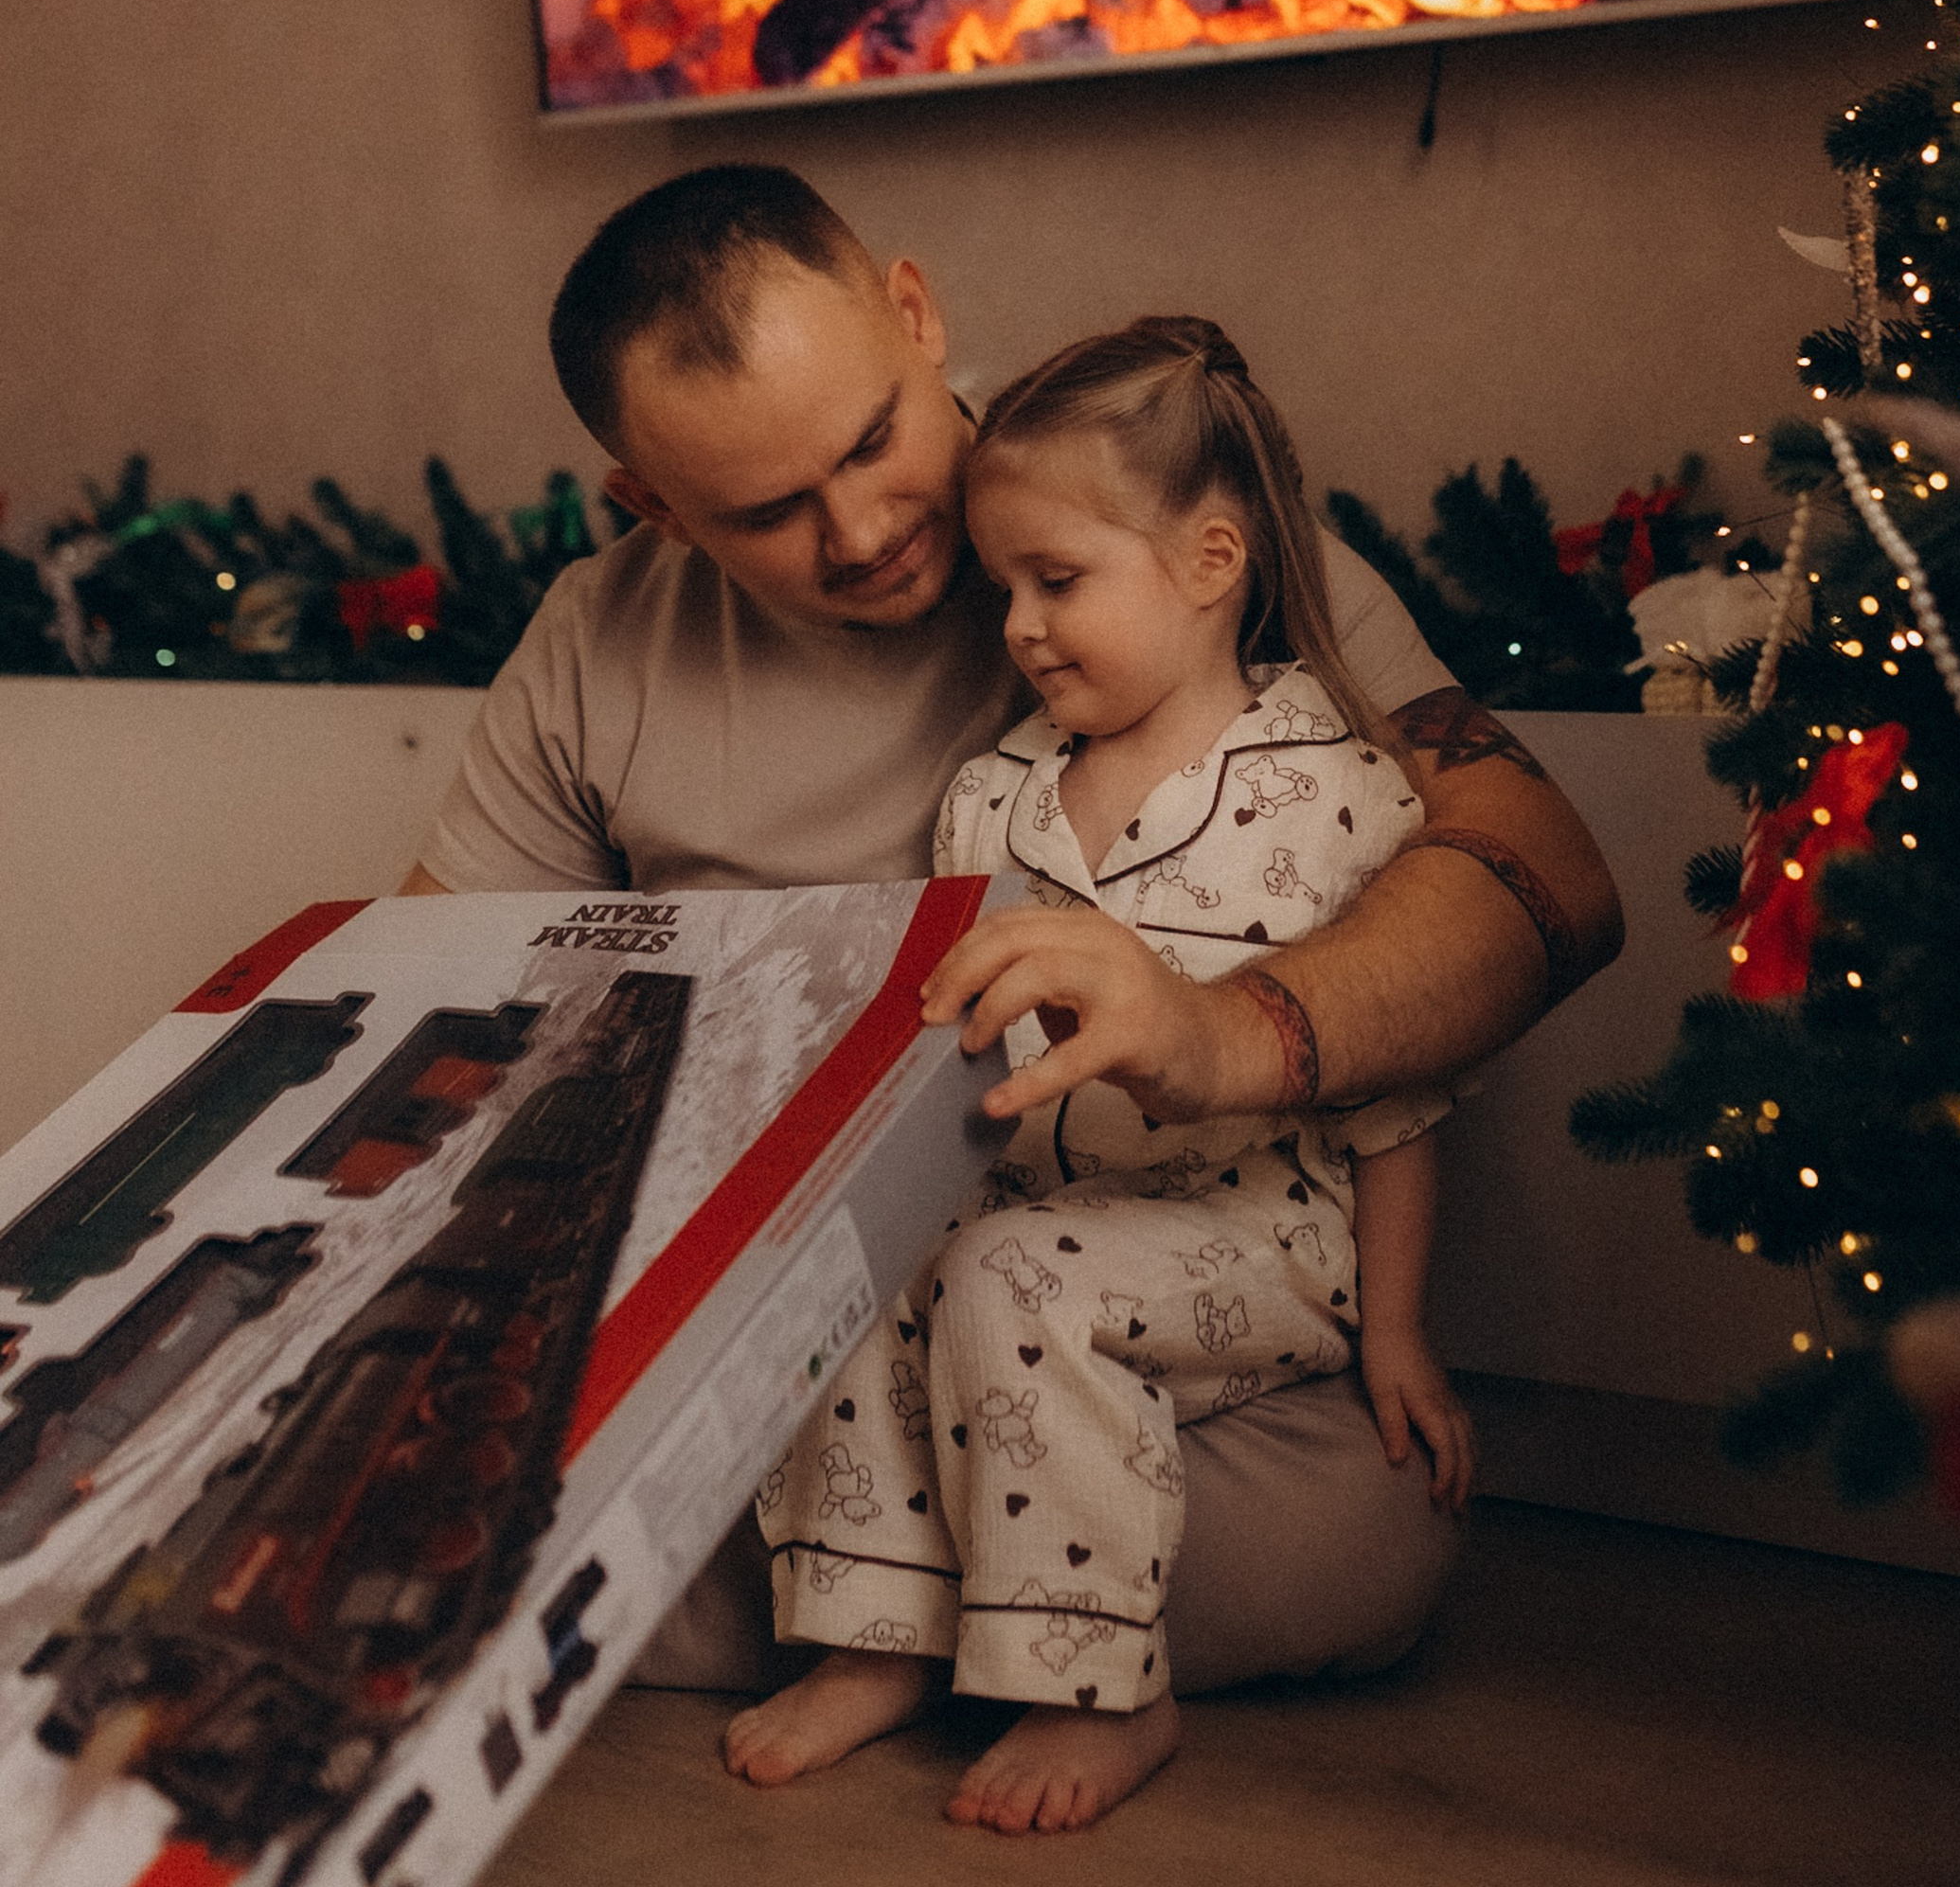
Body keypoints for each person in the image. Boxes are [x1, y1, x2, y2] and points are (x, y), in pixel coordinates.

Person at [403, 166, 1620, 1685]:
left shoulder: (1139, 512)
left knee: (1356, 1531)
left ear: (915, 317)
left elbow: (1546, 873)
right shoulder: (600, 641)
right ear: (650, 505)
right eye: (769, 512)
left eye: (872, 441)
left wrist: (1224, 1034)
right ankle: (968, 1610)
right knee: (487, 1469)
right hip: (823, 1324)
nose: (860, 532)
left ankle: (863, 1606)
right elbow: (432, 1014)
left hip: (1149, 1308)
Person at [732, 315, 1478, 1832]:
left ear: (1211, 563)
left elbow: (1397, 1100)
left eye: (1056, 582)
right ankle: (873, 1639)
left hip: (1263, 1236)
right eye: (1004, 585)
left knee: (1019, 1279)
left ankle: (1102, 1690)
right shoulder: (994, 797)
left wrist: (1396, 1331)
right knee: (861, 1252)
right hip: (1029, 1206)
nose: (1014, 624)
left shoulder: (1332, 791)